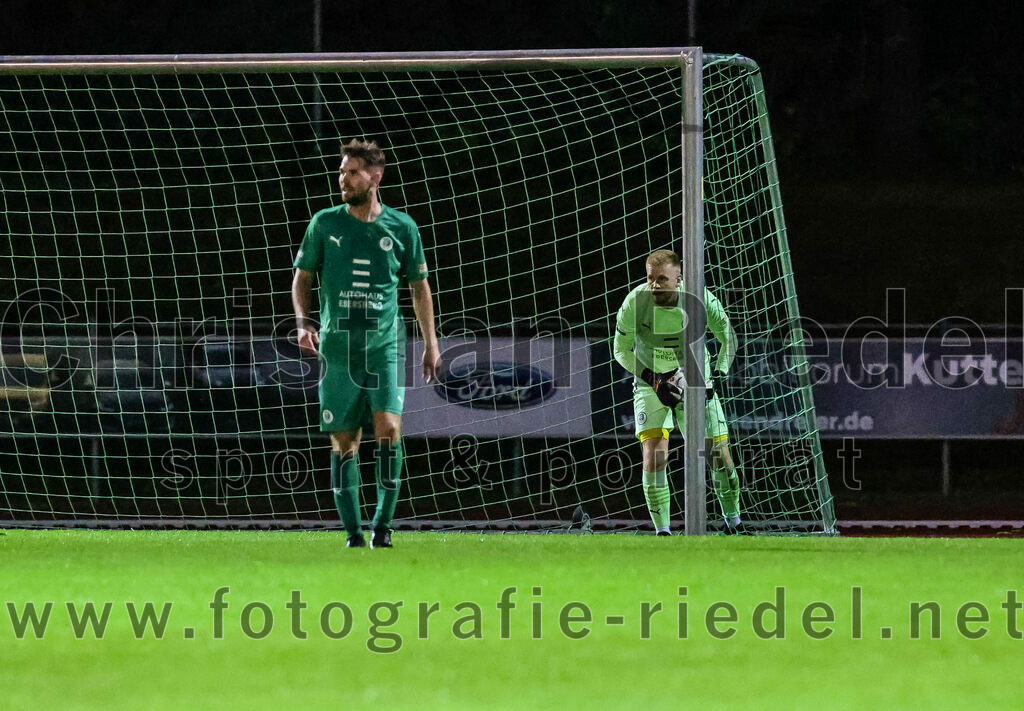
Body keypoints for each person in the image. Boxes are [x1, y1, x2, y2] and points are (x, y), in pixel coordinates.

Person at [292, 139, 441, 549]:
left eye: (351, 172)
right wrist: (303, 323)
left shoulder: (402, 227)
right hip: (339, 350)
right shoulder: (324, 223)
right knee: (344, 441)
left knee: (389, 430)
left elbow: (419, 288)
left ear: (375, 178)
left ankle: (383, 528)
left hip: (384, 347)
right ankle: (354, 535)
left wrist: (431, 343)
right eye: (341, 171)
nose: (342, 178)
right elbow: (302, 278)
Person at [613, 249, 742, 534]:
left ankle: (734, 523)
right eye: (650, 278)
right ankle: (663, 533)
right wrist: (653, 378)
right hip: (650, 378)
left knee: (718, 455)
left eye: (662, 278)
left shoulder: (699, 298)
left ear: (679, 279)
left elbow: (728, 337)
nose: (655, 285)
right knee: (654, 455)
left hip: (695, 373)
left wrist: (717, 376)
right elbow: (620, 350)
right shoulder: (635, 302)